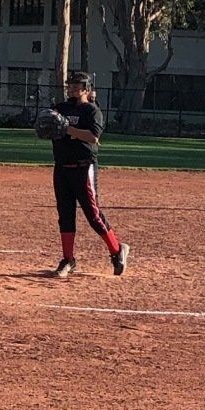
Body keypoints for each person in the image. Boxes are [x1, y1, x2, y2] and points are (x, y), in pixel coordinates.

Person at [41, 69, 129, 280]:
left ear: (86, 89)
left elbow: (92, 137)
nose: (70, 87)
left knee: (93, 214)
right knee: (65, 214)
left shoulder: (92, 111)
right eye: (70, 84)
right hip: (61, 167)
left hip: (84, 167)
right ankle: (68, 259)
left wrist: (66, 128)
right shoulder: (60, 108)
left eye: (76, 85)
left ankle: (117, 251)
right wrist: (47, 127)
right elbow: (49, 125)